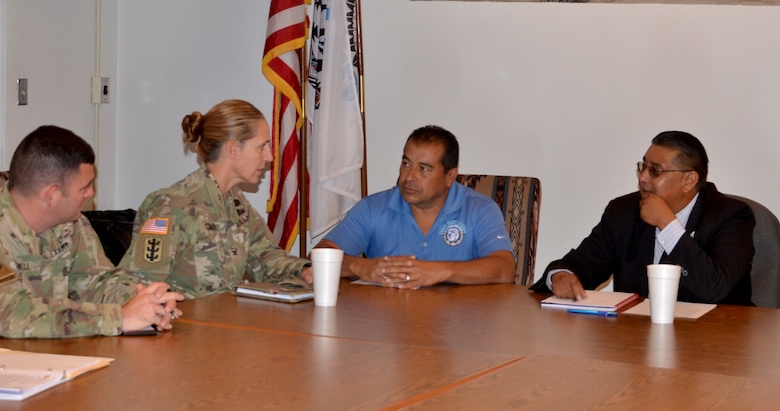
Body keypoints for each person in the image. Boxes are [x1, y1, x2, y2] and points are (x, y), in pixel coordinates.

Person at [531, 131, 755, 305]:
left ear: (689, 180)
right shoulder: (623, 211)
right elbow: (581, 264)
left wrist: (668, 226)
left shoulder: (731, 216)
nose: (643, 178)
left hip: (715, 344)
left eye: (655, 170)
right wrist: (561, 275)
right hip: (635, 341)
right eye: (643, 167)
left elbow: (714, 288)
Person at [0, 125, 182, 338]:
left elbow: (95, 282)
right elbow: (10, 312)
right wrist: (119, 317)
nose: (91, 193)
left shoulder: (71, 223)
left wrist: (145, 299)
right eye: (84, 187)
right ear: (51, 195)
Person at [119, 99, 313, 299]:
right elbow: (138, 287)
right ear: (233, 149)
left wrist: (303, 270)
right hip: (182, 326)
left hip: (224, 322)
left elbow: (264, 256)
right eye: (261, 147)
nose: (269, 157)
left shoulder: (235, 202)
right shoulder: (173, 207)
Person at [315, 125, 515, 288]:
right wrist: (361, 266)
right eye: (406, 164)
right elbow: (320, 255)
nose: (409, 177)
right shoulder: (372, 208)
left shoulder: (479, 209)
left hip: (458, 328)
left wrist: (440, 271)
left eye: (424, 169)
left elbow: (505, 269)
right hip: (386, 325)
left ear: (450, 176)